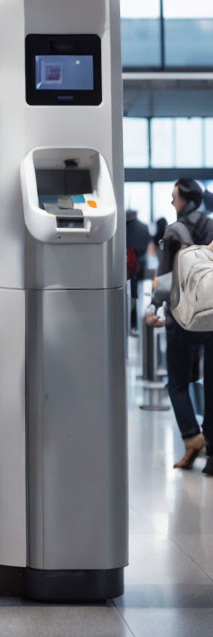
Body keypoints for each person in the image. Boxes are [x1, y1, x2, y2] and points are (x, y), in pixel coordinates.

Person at [146, 179, 213, 476]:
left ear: (185, 199)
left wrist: (152, 308)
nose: (172, 202)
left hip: (182, 319)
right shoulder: (211, 227)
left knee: (177, 382)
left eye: (174, 196)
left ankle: (191, 437)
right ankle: (212, 453)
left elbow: (165, 279)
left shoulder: (175, 231)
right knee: (211, 384)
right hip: (212, 318)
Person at [126, 209, 151, 330]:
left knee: (130, 299)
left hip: (127, 271)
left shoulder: (122, 228)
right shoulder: (144, 228)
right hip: (139, 270)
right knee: (137, 299)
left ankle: (131, 323)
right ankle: (135, 324)